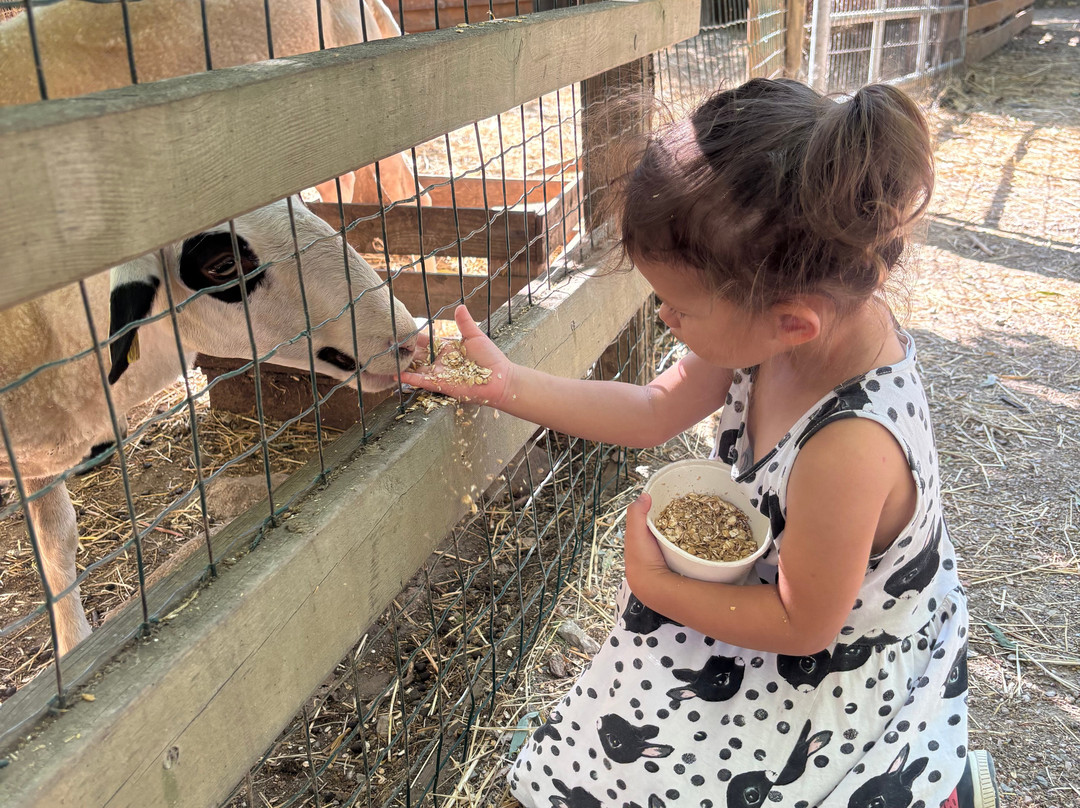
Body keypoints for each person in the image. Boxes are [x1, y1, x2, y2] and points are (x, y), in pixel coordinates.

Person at [402, 78, 998, 808]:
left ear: (791, 321)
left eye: (680, 308)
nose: (664, 316)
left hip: (833, 658)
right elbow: (655, 408)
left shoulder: (847, 446)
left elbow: (804, 625)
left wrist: (657, 589)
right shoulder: (776, 319)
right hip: (767, 602)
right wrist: (509, 385)